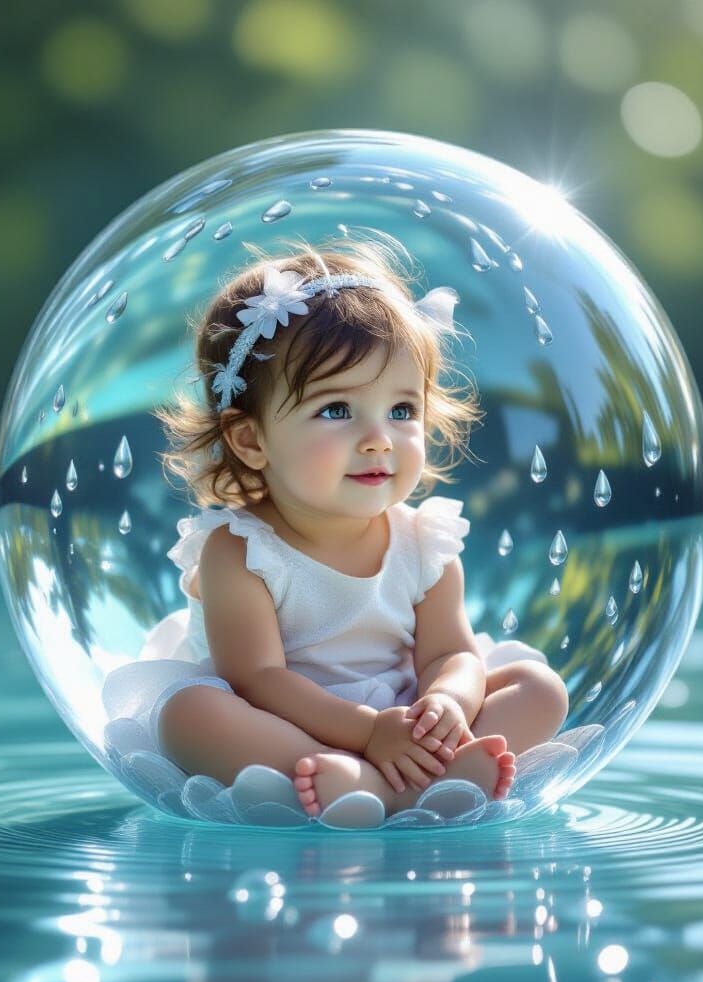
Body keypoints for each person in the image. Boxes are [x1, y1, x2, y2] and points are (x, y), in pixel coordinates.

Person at [102, 236, 568, 820]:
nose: (378, 439)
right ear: (250, 439)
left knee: (538, 688)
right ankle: (378, 779)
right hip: (290, 723)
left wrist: (446, 702)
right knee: (190, 717)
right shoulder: (240, 550)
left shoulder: (425, 542)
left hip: (403, 712)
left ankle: (392, 782)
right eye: (337, 410)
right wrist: (368, 732)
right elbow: (257, 678)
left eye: (402, 411)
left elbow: (451, 652)